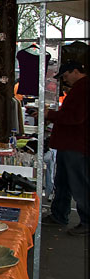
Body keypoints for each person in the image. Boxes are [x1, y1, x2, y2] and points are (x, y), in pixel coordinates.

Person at [38, 60, 89, 236]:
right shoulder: (80, 88)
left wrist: (50, 115)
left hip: (75, 145)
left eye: (66, 76)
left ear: (75, 71)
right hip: (70, 144)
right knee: (64, 183)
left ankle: (86, 221)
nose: (65, 80)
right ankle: (59, 214)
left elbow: (75, 117)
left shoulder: (83, 88)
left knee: (79, 185)